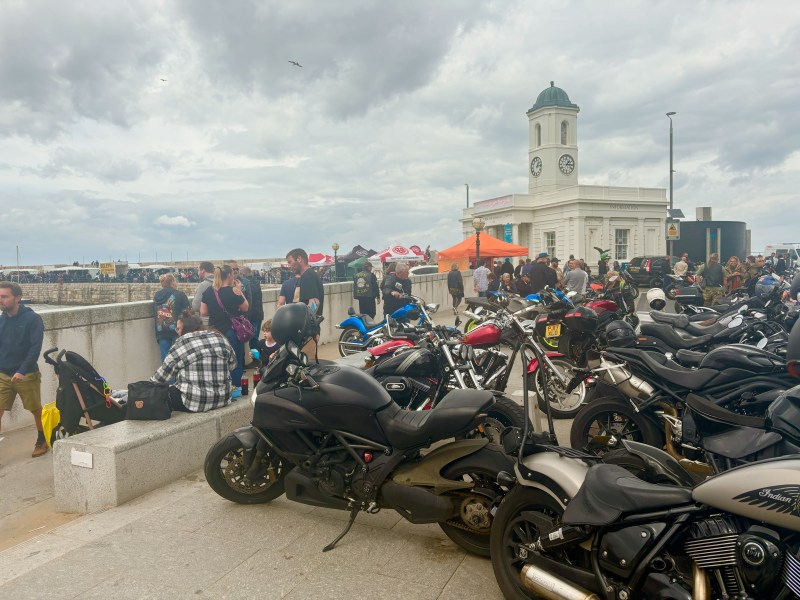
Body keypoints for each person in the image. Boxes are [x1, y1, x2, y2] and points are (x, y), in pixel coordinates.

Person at [151, 310, 236, 412]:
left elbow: (160, 378)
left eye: (178, 328)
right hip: (223, 398)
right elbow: (233, 365)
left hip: (193, 403)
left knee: (169, 391)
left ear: (186, 329)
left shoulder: (181, 344)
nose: (177, 332)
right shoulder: (220, 337)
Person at [0, 282, 47, 457]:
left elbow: (35, 348)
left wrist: (23, 370)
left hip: (26, 374)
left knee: (35, 409)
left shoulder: (32, 319)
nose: (1, 300)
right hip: (3, 373)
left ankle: (42, 440)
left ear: (17, 298)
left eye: (4, 296)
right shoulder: (2, 319)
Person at [200, 265, 249, 392]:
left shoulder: (208, 291)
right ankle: (236, 389)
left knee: (217, 361)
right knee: (235, 360)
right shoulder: (233, 291)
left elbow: (203, 312)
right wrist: (240, 291)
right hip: (231, 330)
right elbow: (245, 308)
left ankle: (220, 388)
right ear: (229, 276)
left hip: (214, 331)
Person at [286, 248, 324, 357]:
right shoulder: (305, 276)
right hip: (306, 333)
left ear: (299, 259)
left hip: (307, 333)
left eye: (290, 262)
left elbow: (314, 303)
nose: (289, 266)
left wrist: (305, 326)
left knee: (307, 366)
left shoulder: (308, 276)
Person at [153, 273, 190, 361]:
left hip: (161, 330)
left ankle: (167, 374)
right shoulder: (180, 294)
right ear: (172, 282)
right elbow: (188, 311)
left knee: (166, 360)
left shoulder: (156, 296)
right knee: (180, 358)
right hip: (177, 330)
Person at [240, 266, 263, 366]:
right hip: (259, 314)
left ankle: (257, 360)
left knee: (253, 340)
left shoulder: (247, 284)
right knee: (255, 338)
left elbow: (249, 302)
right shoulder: (256, 282)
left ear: (243, 274)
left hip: (252, 316)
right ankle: (257, 359)